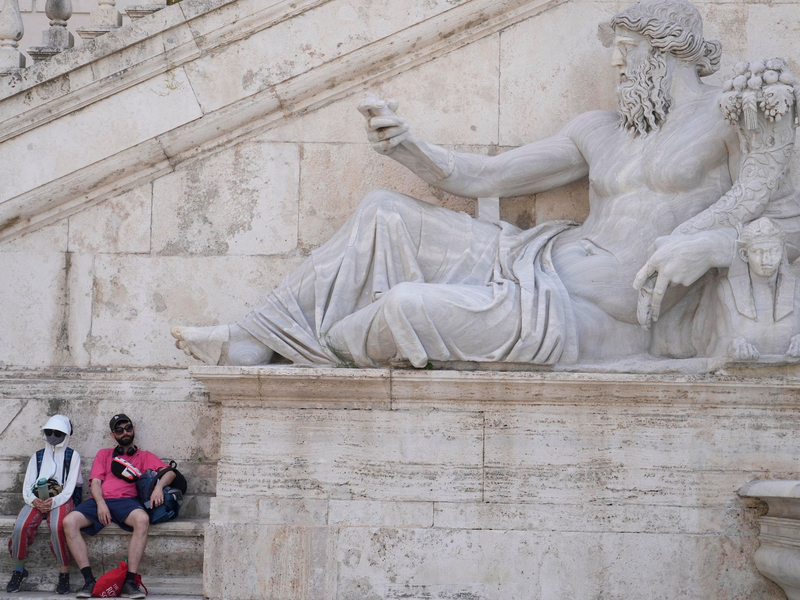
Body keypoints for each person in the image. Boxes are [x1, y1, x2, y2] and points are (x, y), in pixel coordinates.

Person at [171, 0, 800, 368]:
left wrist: (710, 245)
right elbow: (488, 176)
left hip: (590, 315)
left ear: (666, 51)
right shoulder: (599, 129)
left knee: (406, 307)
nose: (616, 61)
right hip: (533, 258)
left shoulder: (730, 119)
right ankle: (254, 338)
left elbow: (787, 222)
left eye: (627, 47)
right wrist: (410, 147)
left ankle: (327, 345)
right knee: (385, 210)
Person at [62, 414, 175, 599]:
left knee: (142, 519)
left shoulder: (144, 456)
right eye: (119, 430)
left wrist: (159, 487)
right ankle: (89, 581)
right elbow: (95, 483)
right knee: (69, 522)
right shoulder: (104, 454)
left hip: (127, 502)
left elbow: (170, 473)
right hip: (100, 500)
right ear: (113, 434)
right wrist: (100, 503)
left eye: (128, 428)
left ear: (133, 429)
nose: (125, 432)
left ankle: (129, 583)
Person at [6, 415, 81, 595]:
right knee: (20, 525)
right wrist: (33, 500)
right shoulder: (38, 456)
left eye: (58, 433)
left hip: (61, 498)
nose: (53, 436)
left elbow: (70, 488)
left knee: (57, 526)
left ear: (66, 434)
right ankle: (18, 569)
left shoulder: (73, 456)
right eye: (49, 432)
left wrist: (53, 501)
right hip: (37, 498)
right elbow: (27, 485)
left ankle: (64, 572)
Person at [708, 218, 800, 360]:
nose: (766, 259)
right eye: (757, 251)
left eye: (774, 251)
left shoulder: (797, 288)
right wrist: (732, 345)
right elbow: (715, 344)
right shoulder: (727, 289)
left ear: (782, 253)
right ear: (744, 254)